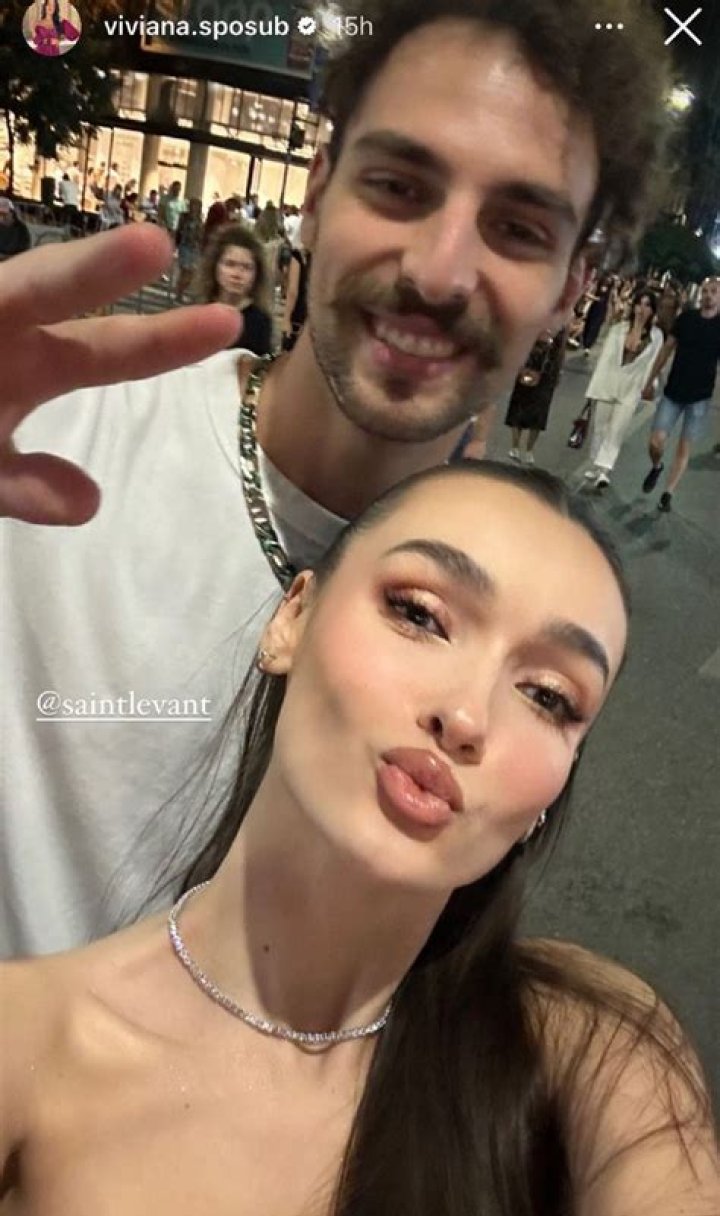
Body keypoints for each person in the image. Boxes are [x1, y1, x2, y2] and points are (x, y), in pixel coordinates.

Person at [0, 0, 673, 956]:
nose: (439, 273)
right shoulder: (50, 440)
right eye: (399, 186)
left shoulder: (524, 646)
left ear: (571, 287)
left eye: (519, 229)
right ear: (317, 194)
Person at [1, 462, 718, 1216]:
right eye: (420, 614)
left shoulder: (586, 1047)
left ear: (552, 792)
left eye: (548, 695)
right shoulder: (31, 1038)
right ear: (293, 618)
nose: (466, 714)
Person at [640, 274, 720, 512]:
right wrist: (650, 379)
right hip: (673, 391)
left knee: (684, 448)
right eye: (705, 291)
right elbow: (666, 349)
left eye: (714, 291)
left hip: (700, 397)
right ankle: (657, 466)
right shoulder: (686, 318)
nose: (708, 295)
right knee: (655, 442)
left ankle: (668, 493)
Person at [582, 288, 663, 490]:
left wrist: (649, 386)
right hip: (608, 383)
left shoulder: (656, 336)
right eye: (639, 304)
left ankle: (605, 471)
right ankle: (596, 465)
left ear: (653, 310)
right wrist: (593, 388)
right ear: (633, 306)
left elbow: (653, 363)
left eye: (647, 305)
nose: (642, 309)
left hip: (631, 388)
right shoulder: (618, 329)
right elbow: (605, 360)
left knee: (616, 430)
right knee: (600, 427)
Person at [196, 222, 274, 355]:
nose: (237, 274)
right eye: (230, 264)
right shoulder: (201, 311)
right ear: (215, 266)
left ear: (257, 274)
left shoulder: (260, 322)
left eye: (246, 267)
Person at [505, 326, 567, 464]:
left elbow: (561, 348)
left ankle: (529, 450)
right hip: (528, 365)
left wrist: (559, 371)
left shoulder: (562, 322)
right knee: (519, 406)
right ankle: (515, 446)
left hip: (547, 371)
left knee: (539, 411)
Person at [280, 243, 311, 350]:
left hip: (297, 314)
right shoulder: (318, 258)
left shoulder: (297, 256)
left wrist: (286, 318)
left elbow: (293, 290)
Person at [175, 196, 204, 302]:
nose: (194, 207)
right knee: (185, 271)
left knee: (192, 273)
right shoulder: (184, 217)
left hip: (195, 248)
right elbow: (180, 230)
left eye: (197, 205)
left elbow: (201, 233)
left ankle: (180, 291)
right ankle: (179, 294)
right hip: (185, 246)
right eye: (193, 205)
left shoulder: (199, 219)